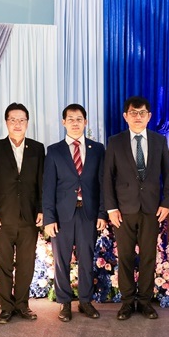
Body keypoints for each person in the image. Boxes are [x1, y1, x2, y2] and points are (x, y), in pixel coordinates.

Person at [103, 96, 169, 320]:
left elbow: (167, 174)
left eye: (142, 113)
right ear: (126, 116)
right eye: (133, 113)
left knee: (148, 257)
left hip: (151, 209)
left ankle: (144, 301)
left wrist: (166, 202)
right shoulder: (115, 142)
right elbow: (107, 178)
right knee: (124, 257)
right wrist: (111, 209)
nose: (138, 117)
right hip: (123, 210)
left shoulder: (159, 141)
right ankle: (126, 302)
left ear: (149, 116)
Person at [43, 104, 108, 322]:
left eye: (79, 119)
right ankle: (64, 303)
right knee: (61, 260)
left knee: (86, 259)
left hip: (88, 213)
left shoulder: (97, 149)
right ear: (63, 122)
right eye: (70, 119)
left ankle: (85, 301)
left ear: (85, 122)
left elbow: (102, 184)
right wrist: (49, 218)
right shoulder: (54, 151)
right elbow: (48, 187)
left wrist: (102, 214)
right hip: (62, 215)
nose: (75, 123)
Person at [0, 103, 45, 324]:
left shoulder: (37, 148)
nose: (17, 124)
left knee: (27, 264)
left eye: (21, 120)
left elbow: (42, 183)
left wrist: (41, 209)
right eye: (13, 120)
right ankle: (6, 308)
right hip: (2, 218)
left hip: (29, 217)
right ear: (6, 122)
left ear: (27, 123)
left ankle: (22, 305)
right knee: (4, 264)